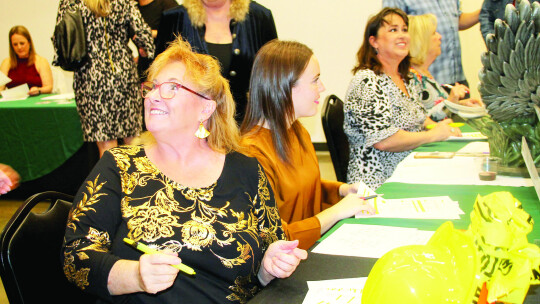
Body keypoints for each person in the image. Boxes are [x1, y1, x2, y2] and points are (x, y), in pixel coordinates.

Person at [62, 37, 306, 304]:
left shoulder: (246, 171)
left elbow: (264, 266)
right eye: (151, 88)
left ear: (206, 107)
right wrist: (136, 276)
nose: (153, 96)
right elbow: (76, 257)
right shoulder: (119, 166)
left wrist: (269, 268)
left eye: (171, 88)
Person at [241, 40, 375, 250]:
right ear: (284, 86)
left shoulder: (296, 130)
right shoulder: (250, 154)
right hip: (287, 261)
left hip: (312, 247)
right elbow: (275, 238)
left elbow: (303, 188)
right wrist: (337, 212)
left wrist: (342, 190)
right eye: (315, 80)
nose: (322, 87)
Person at [344, 7, 460, 190]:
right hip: (380, 184)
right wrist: (432, 135)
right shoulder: (367, 81)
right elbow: (384, 140)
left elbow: (420, 118)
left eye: (404, 29)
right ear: (374, 42)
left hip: (410, 171)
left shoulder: (405, 78)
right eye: (393, 30)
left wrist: (438, 127)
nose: (402, 35)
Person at [53, 0, 155, 157]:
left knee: (106, 147)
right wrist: (145, 49)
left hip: (90, 76)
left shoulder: (71, 2)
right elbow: (144, 35)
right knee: (133, 141)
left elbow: (61, 36)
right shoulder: (123, 2)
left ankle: (112, 181)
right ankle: (138, 180)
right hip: (124, 74)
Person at [155, 0, 277, 123]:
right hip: (187, 125)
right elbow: (158, 76)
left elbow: (274, 78)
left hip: (248, 126)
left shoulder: (260, 17)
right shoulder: (174, 18)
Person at [382, 0, 480, 86]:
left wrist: (485, 10)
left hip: (457, 78)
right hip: (424, 81)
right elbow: (391, 32)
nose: (439, 36)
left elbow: (456, 20)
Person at [408, 14, 483, 121]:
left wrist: (460, 104)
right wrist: (451, 100)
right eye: (434, 33)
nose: (440, 36)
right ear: (421, 40)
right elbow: (420, 120)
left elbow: (434, 108)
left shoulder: (424, 74)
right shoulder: (412, 77)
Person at [0, 25, 53, 95]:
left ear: (29, 42)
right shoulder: (6, 63)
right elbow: (1, 88)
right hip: (12, 102)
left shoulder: (41, 61)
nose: (19, 47)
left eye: (22, 43)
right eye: (15, 44)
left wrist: (39, 90)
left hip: (35, 101)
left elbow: (49, 87)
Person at [134, 0, 179, 82]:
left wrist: (151, 33)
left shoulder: (167, 5)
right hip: (143, 70)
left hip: (165, 68)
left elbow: (177, 35)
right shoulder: (132, 9)